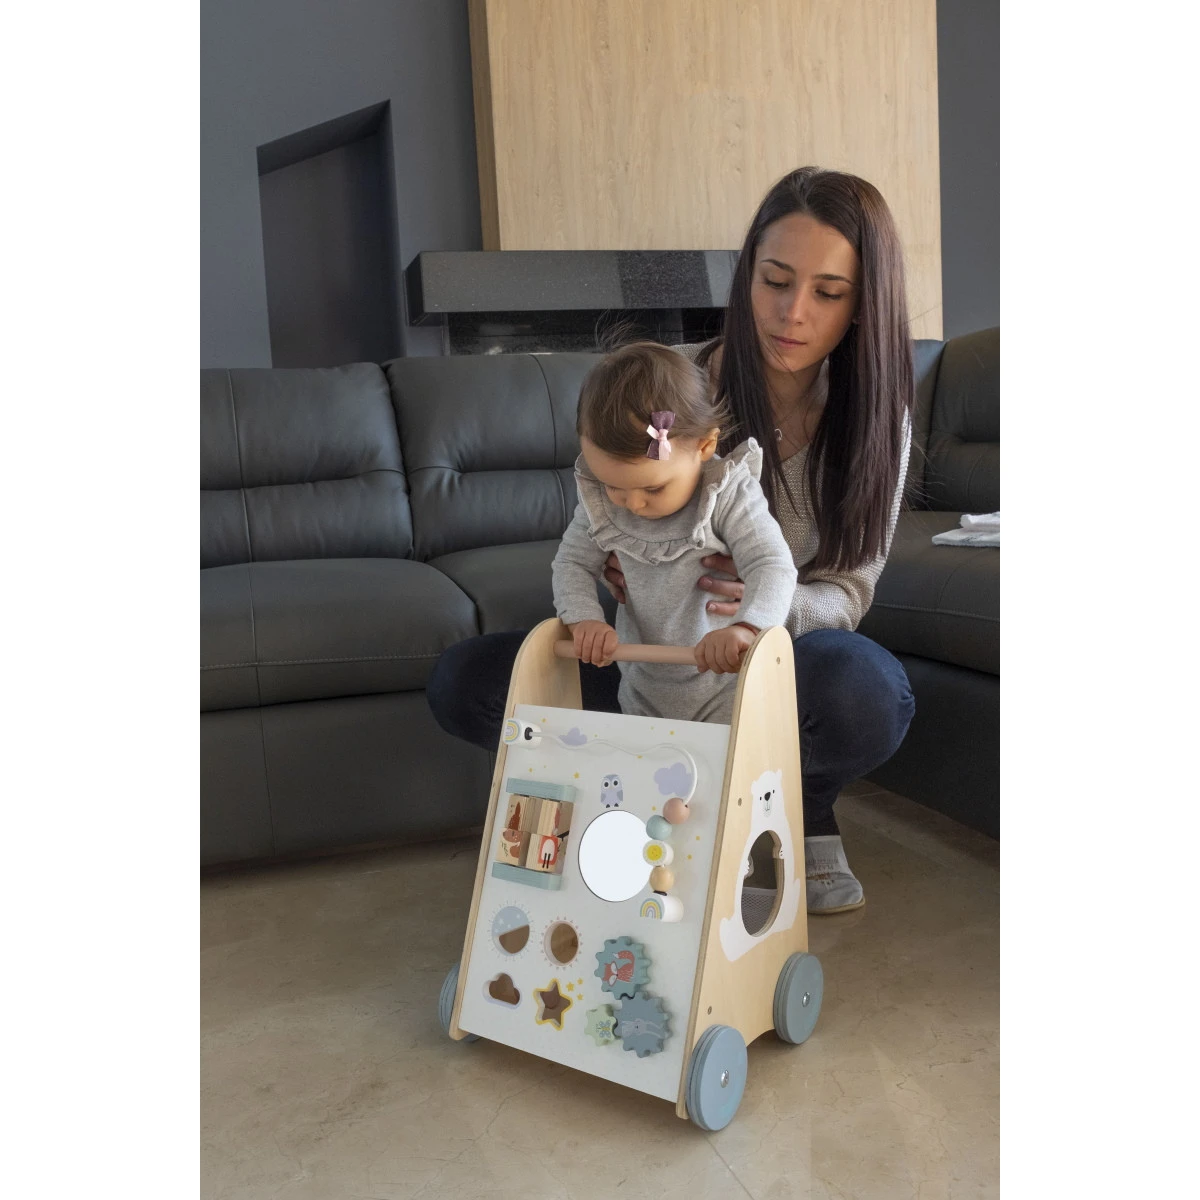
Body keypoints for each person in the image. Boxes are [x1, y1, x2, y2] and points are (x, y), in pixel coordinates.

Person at [426, 166, 916, 915]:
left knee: (866, 694)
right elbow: (596, 520)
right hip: (649, 658)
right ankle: (640, 807)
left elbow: (850, 589)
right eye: (774, 280)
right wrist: (614, 574)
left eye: (827, 292)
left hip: (772, 665)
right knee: (471, 682)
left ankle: (801, 807)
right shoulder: (664, 388)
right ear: (747, 275)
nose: (791, 313)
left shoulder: (878, 422)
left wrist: (756, 613)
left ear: (863, 305)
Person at [554, 340, 797, 725]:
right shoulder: (601, 502)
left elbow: (772, 564)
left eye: (653, 488)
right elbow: (572, 564)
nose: (632, 503)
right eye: (613, 485)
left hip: (727, 681)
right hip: (641, 683)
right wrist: (584, 619)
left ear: (705, 445)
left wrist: (748, 627)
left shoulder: (727, 493)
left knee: (725, 762)